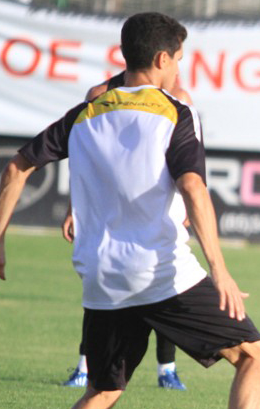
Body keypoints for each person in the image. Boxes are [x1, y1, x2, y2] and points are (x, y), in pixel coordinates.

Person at [0, 12, 260, 409]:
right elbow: (194, 188)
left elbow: (18, 165)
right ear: (161, 59)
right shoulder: (175, 112)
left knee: (102, 392)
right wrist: (220, 269)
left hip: (101, 279)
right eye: (178, 59)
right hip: (162, 273)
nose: (179, 68)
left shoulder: (86, 112)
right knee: (256, 356)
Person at [60, 74, 194, 391]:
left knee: (168, 283)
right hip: (110, 210)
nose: (177, 69)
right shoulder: (101, 94)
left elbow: (190, 156)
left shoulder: (179, 98)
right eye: (175, 58)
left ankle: (167, 369)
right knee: (101, 290)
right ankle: (85, 367)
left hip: (159, 205)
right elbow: (85, 157)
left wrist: (188, 204)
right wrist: (73, 206)